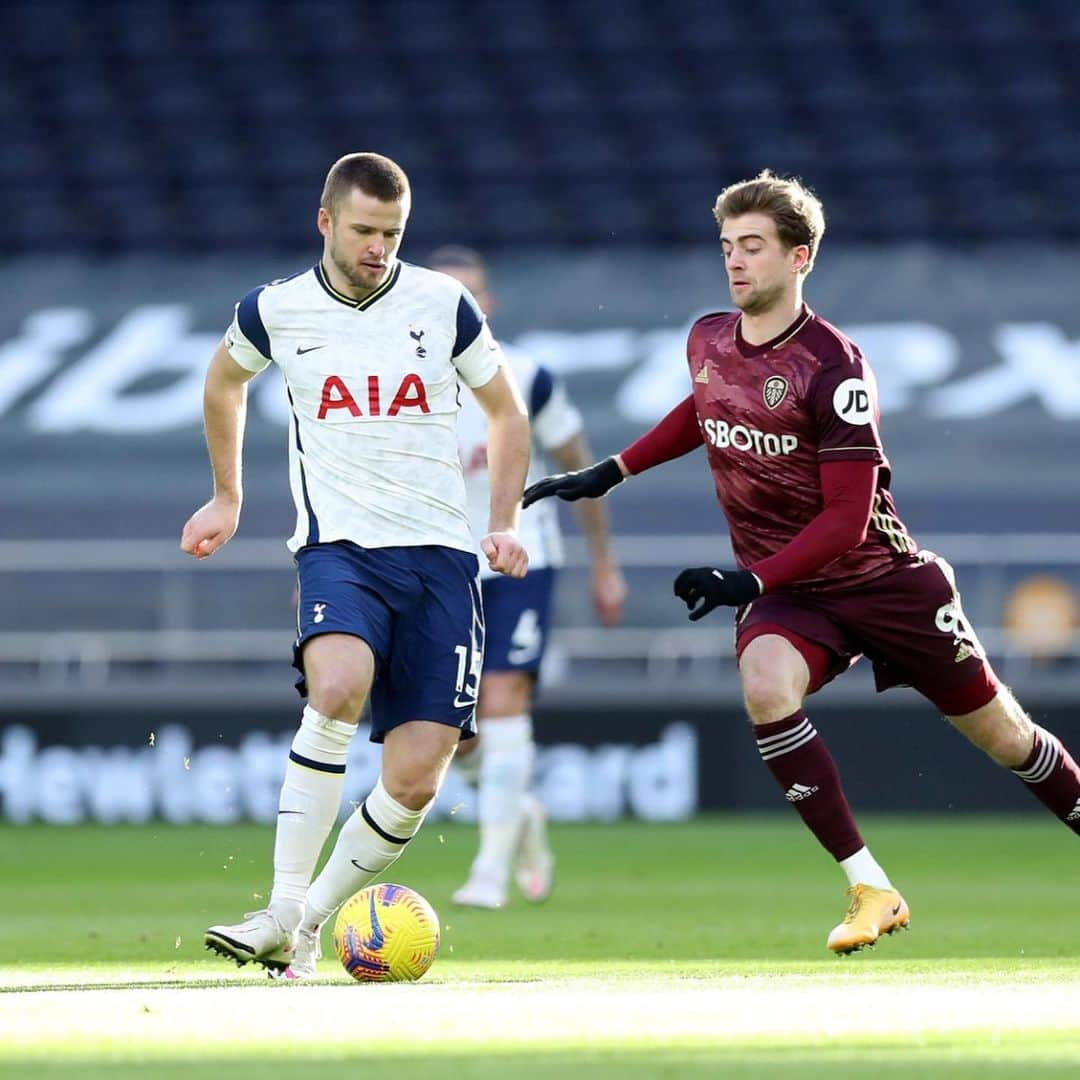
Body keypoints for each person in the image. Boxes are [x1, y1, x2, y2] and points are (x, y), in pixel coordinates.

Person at [523, 169, 1080, 955]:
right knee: (764, 686)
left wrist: (749, 580)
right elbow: (707, 405)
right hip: (796, 596)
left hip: (884, 583)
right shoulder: (707, 338)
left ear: (800, 257)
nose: (737, 262)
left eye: (754, 247)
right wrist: (613, 470)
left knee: (1007, 739)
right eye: (727, 247)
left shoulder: (835, 367)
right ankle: (870, 886)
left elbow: (850, 520)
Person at [180, 152, 530, 976]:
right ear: (326, 223)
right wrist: (227, 496)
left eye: (394, 233)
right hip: (339, 549)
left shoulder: (443, 305)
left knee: (414, 779)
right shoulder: (275, 311)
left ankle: (307, 924)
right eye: (366, 230)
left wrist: (505, 519)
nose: (380, 247)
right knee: (336, 689)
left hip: (442, 558)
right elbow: (223, 383)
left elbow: (506, 414)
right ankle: (278, 905)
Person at [429, 245, 627, 909]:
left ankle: (488, 873)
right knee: (453, 736)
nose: (462, 306)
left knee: (505, 695)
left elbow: (584, 471)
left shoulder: (528, 376)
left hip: (522, 559)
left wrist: (604, 564)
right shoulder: (396, 386)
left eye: (471, 295)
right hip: (437, 566)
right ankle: (520, 817)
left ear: (488, 305)